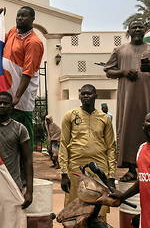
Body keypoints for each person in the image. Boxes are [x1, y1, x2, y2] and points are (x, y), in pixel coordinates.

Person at [104, 19, 150, 182]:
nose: (137, 29)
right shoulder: (120, 50)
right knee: (128, 129)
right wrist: (124, 72)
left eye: (140, 27)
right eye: (133, 27)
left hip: (147, 96)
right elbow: (109, 71)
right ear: (129, 30)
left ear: (144, 30)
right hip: (127, 98)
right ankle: (132, 169)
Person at [59, 84, 116, 219]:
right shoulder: (70, 116)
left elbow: (111, 147)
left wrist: (111, 176)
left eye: (89, 94)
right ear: (79, 96)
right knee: (73, 206)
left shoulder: (105, 118)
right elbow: (63, 144)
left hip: (99, 168)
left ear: (95, 96)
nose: (85, 96)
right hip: (75, 168)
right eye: (83, 94)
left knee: (99, 206)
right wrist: (63, 173)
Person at [1, 6, 44, 148]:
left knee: (22, 131)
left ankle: (27, 162)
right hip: (8, 88)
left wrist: (17, 96)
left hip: (21, 95)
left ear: (33, 19)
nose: (20, 18)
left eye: (24, 16)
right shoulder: (13, 31)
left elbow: (28, 72)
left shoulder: (33, 42)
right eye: (18, 15)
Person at [0, 91, 33, 209]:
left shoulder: (20, 129)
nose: (2, 105)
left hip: (12, 183)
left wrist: (30, 191)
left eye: (5, 103)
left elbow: (27, 160)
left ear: (12, 107)